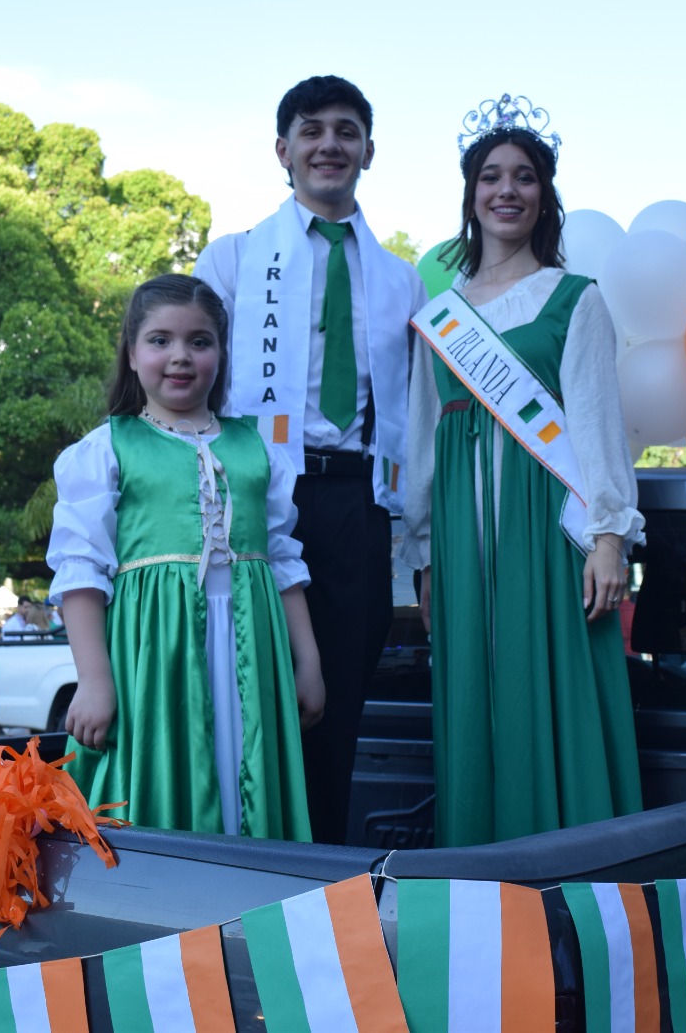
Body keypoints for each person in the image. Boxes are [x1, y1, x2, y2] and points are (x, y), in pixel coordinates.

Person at [401, 95, 645, 847]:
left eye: (525, 177)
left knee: (549, 683)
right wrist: (424, 557)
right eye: (491, 177)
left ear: (545, 197)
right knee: (474, 693)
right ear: (471, 196)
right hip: (462, 537)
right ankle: (483, 872)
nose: (507, 190)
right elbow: (421, 437)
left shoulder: (576, 300)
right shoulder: (440, 315)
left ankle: (570, 868)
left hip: (545, 526)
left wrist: (609, 537)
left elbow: (597, 423)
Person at [194, 75, 425, 843]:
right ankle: (244, 863)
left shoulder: (401, 280)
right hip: (253, 502)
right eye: (313, 129)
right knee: (250, 693)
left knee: (337, 706)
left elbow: (415, 411)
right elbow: (192, 384)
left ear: (369, 151)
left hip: (356, 503)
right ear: (282, 149)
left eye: (347, 131)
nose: (330, 144)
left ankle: (325, 869)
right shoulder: (234, 259)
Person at [48, 274, 323, 840]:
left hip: (252, 648)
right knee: (168, 771)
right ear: (131, 353)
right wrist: (94, 680)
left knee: (244, 771)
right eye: (160, 340)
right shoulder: (106, 449)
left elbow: (282, 561)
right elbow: (80, 573)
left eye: (200, 341)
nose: (180, 356)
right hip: (155, 652)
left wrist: (309, 663)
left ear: (221, 353)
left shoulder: (257, 449)